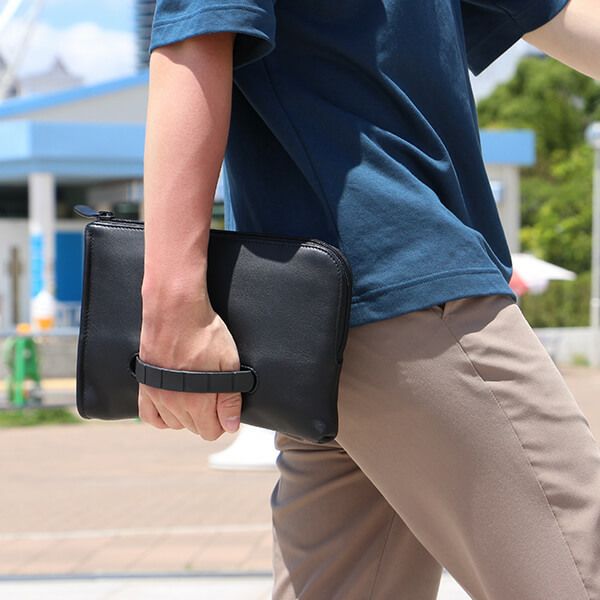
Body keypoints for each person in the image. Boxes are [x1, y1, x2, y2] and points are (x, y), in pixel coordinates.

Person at [138, 0, 600, 597]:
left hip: (334, 317)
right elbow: (195, 36)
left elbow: (561, 15)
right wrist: (173, 299)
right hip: (400, 282)